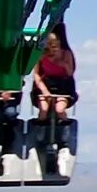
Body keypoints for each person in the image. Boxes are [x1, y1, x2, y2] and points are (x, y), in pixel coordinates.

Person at [28, 24, 79, 177]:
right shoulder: (41, 57)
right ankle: (40, 136)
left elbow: (70, 72)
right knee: (44, 109)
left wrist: (61, 63)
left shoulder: (66, 55)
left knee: (59, 110)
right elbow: (36, 75)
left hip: (63, 86)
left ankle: (64, 135)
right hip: (45, 85)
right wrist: (44, 91)